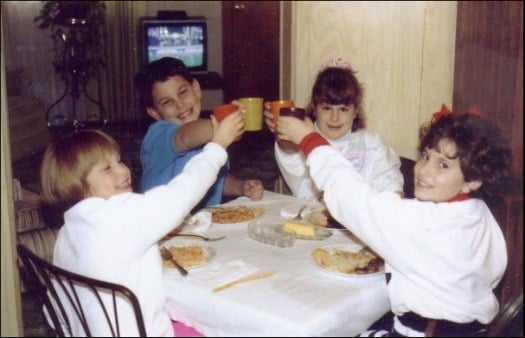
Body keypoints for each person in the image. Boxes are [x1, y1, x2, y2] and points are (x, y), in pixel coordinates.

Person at [275, 106, 512, 337]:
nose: (423, 171)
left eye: (443, 165)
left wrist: (309, 139)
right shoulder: (479, 212)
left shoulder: (424, 222)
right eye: (426, 156)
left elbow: (353, 200)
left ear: (473, 181)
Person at [39, 111, 243, 336]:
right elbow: (181, 194)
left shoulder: (66, 233)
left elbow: (55, 310)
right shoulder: (120, 215)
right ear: (77, 186)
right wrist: (216, 148)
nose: (123, 170)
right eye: (107, 168)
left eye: (119, 161)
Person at [264, 58, 403, 202]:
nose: (334, 118)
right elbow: (289, 151)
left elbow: (391, 186)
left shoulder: (371, 143)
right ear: (314, 108)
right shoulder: (300, 138)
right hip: (310, 223)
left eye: (343, 109)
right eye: (326, 108)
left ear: (355, 110)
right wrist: (282, 130)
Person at [135, 57, 263, 209]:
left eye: (183, 92)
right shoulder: (158, 135)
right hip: (163, 226)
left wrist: (241, 187)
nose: (180, 104)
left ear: (196, 89)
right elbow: (184, 137)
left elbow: (215, 178)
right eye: (167, 102)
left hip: (202, 223)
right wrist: (220, 124)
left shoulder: (208, 131)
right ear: (155, 113)